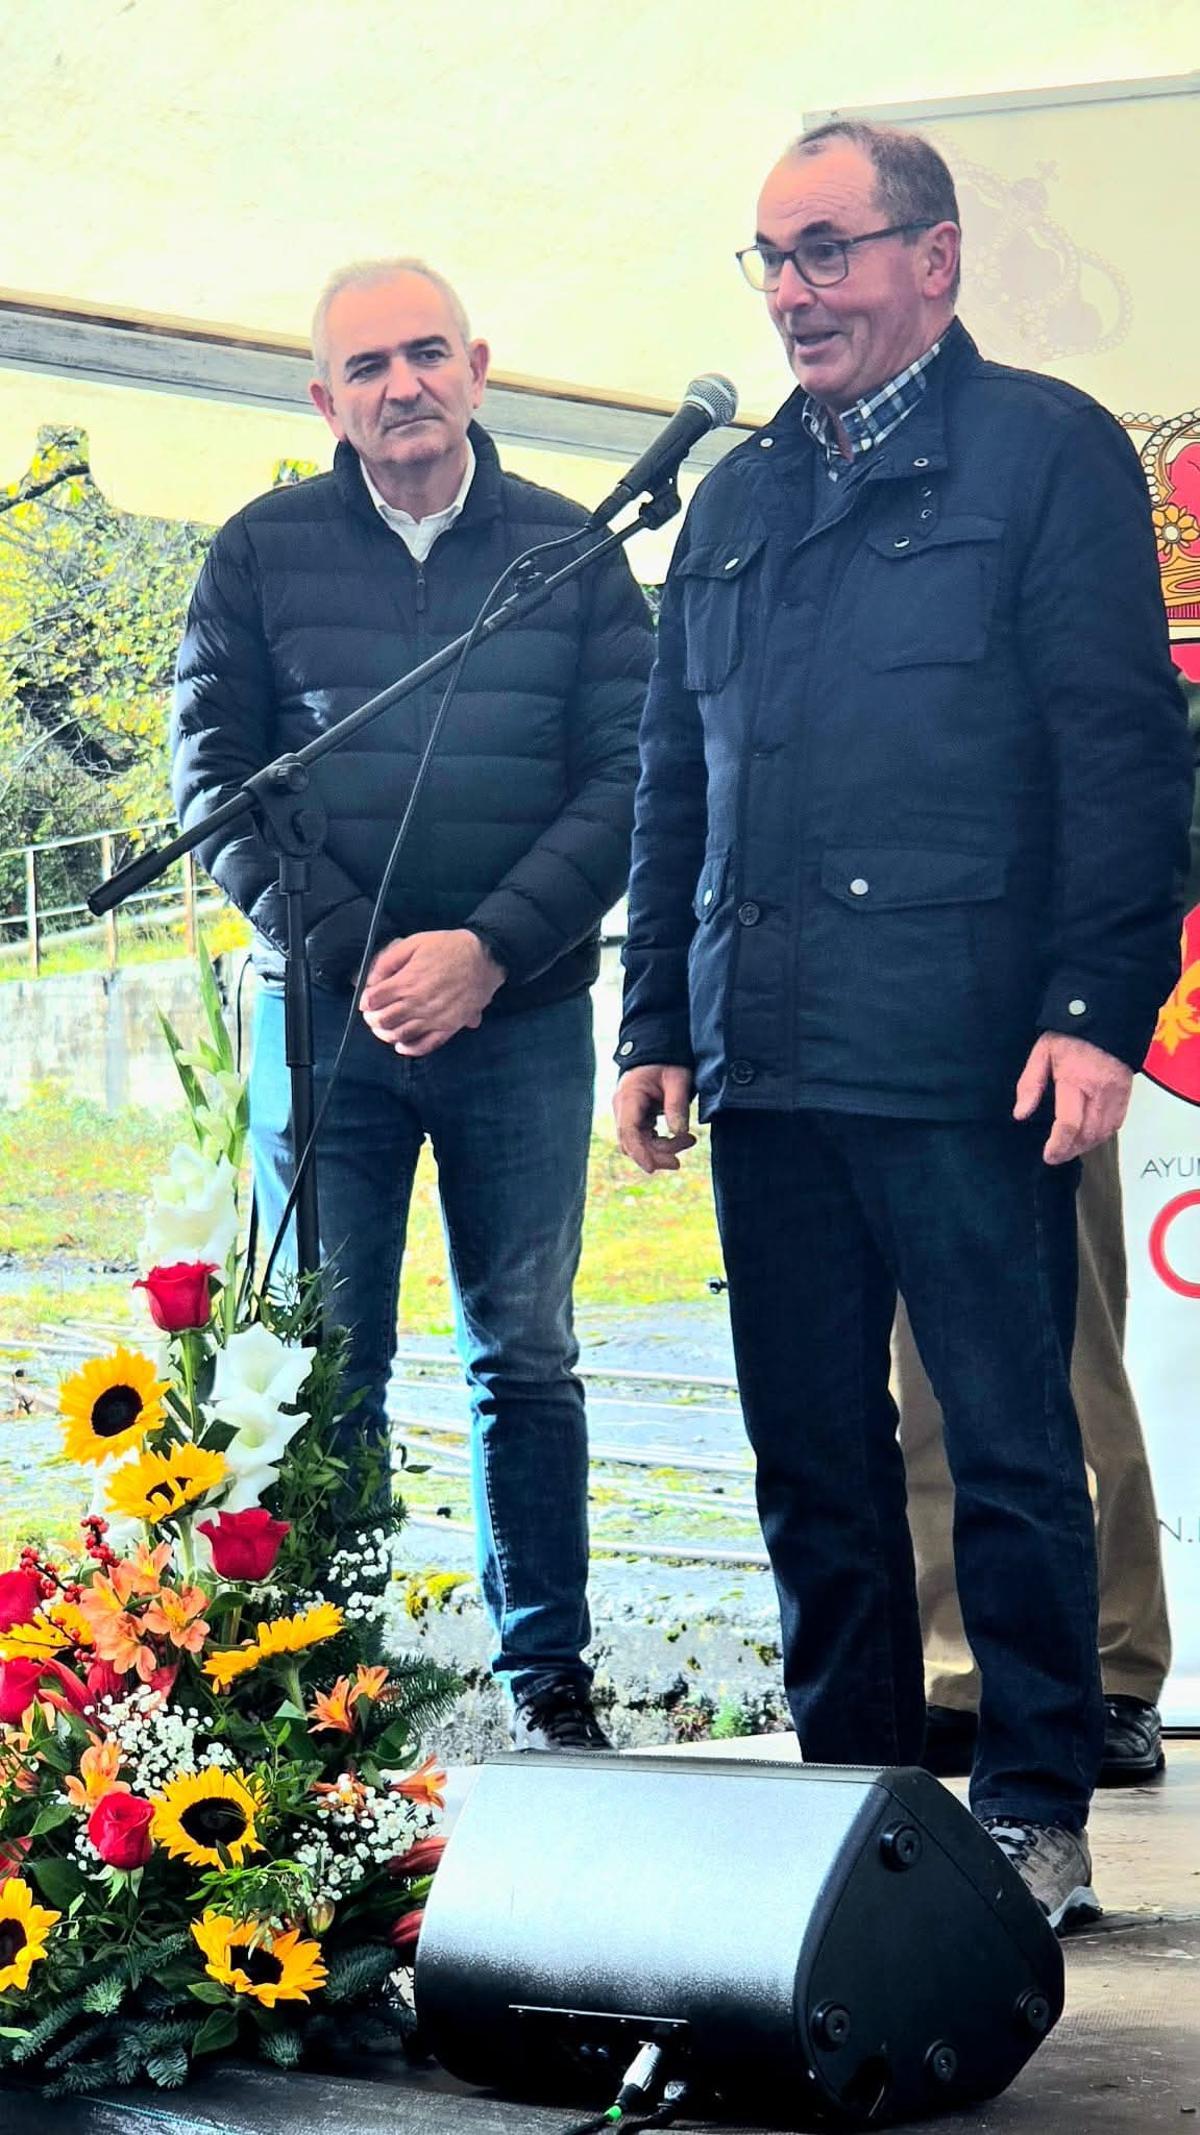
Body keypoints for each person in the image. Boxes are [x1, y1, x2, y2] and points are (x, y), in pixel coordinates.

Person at [614, 121, 1192, 1930]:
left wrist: (1098, 1004)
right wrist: (652, 1019)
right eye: (770, 260)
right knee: (810, 1452)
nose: (794, 292)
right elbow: (671, 782)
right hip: (765, 1053)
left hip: (963, 1048)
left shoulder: (1045, 452)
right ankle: (853, 1801)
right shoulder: (733, 499)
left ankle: (1033, 1805)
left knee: (1010, 1445)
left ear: (932, 259)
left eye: (829, 251)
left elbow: (1127, 754)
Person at [173, 259, 653, 1752]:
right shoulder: (256, 554)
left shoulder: (576, 553)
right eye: (367, 365)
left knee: (524, 1347)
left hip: (518, 1021)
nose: (402, 385)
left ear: (479, 366)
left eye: (426, 354)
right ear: (325, 399)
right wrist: (351, 959)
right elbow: (208, 776)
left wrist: (488, 950)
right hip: (326, 1032)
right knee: (331, 1356)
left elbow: (631, 774)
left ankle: (546, 1675)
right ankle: (342, 1670)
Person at [896, 1139, 1171, 1787]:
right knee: (920, 1389)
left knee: (1075, 1368)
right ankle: (952, 1669)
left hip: (1037, 1059)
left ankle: (1114, 1665)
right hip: (883, 1066)